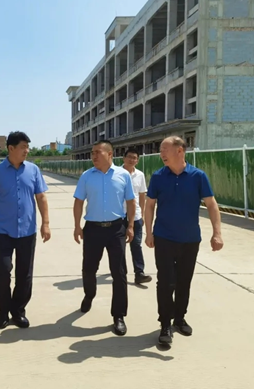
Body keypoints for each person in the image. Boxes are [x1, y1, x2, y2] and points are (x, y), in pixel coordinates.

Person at [144, 136, 224, 345]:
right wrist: (149, 232)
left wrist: (217, 233)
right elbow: (149, 205)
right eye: (160, 149)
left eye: (165, 149)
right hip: (164, 237)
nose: (161, 153)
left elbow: (212, 204)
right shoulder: (158, 176)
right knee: (165, 282)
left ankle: (179, 318)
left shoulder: (198, 176)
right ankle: (165, 324)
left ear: (180, 150)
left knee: (183, 281)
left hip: (190, 239)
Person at [0, 131, 51, 329]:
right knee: (2, 271)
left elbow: (41, 197)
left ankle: (18, 311)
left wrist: (45, 223)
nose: (27, 151)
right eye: (23, 147)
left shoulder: (33, 170)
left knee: (25, 274)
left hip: (27, 231)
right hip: (3, 231)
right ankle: (4, 310)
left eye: (27, 147)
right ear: (11, 148)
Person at [73, 140, 136, 336]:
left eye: (97, 152)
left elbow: (131, 202)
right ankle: (89, 295)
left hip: (116, 228)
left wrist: (131, 225)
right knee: (89, 268)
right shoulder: (86, 176)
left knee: (119, 272)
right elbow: (78, 202)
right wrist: (77, 226)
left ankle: (119, 315)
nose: (93, 156)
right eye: (92, 152)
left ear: (110, 154)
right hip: (93, 229)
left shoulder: (123, 175)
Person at [121, 148, 153, 284]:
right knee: (119, 247)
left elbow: (141, 195)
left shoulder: (140, 175)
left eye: (134, 158)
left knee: (136, 245)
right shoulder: (116, 173)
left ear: (137, 161)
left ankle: (139, 273)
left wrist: (142, 215)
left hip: (136, 216)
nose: (131, 160)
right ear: (123, 158)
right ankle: (120, 273)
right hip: (119, 215)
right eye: (129, 157)